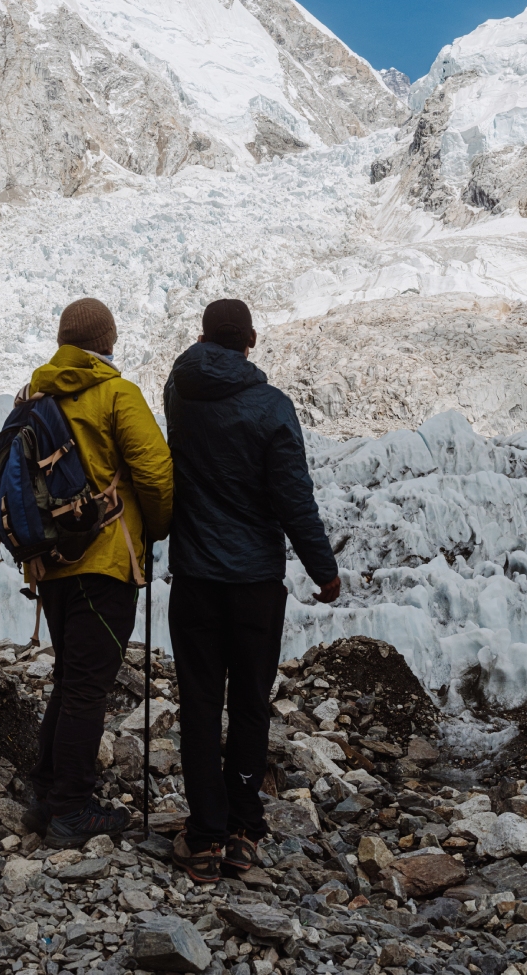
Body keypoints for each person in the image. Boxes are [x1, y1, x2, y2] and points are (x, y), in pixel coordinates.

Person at [163, 297, 340, 882]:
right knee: (248, 704)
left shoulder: (178, 394)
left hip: (194, 579)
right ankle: (242, 830)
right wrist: (323, 569)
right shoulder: (271, 407)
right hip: (255, 584)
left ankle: (205, 836)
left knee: (199, 703)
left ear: (204, 336)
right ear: (252, 341)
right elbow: (293, 498)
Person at [20, 297, 173, 848]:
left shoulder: (35, 395)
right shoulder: (116, 394)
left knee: (69, 676)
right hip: (105, 563)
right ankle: (71, 808)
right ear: (107, 342)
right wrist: (154, 529)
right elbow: (155, 473)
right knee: (88, 686)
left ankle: (45, 797)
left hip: (52, 565)